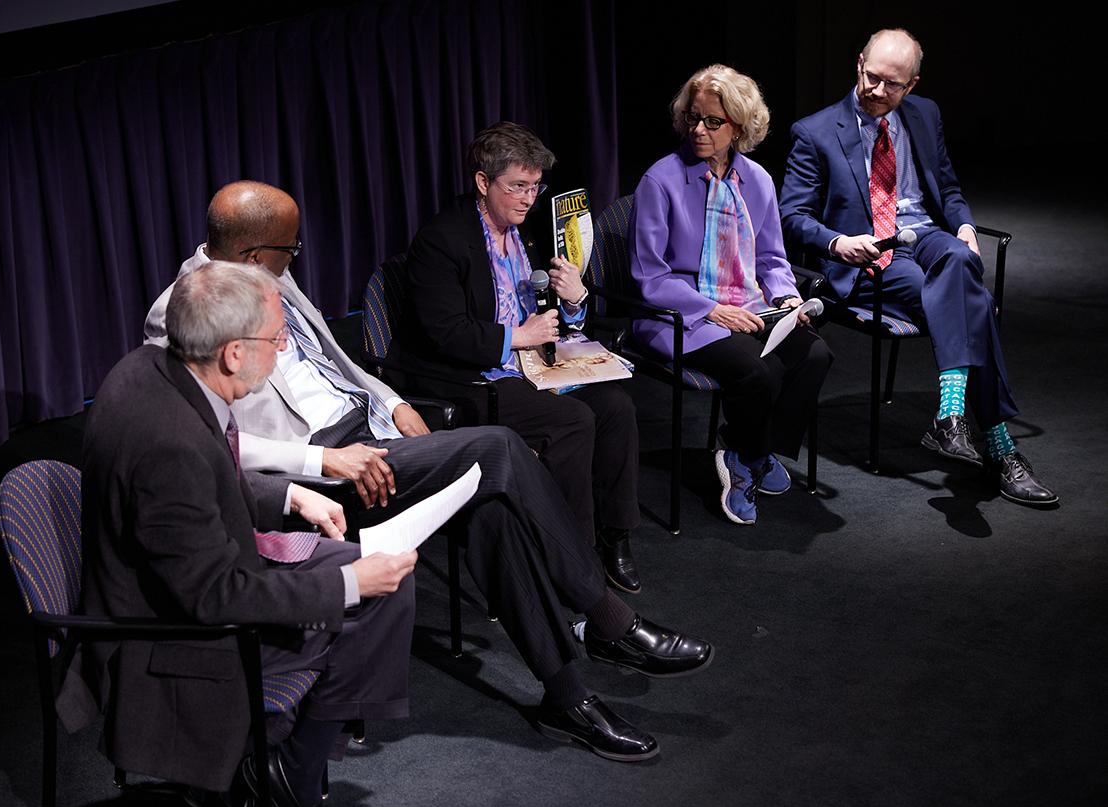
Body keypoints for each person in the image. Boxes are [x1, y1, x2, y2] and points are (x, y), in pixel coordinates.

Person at [144, 181, 714, 762]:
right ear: (252, 256)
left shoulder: (269, 272)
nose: (296, 260)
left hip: (372, 431)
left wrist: (391, 402)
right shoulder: (180, 311)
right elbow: (209, 442)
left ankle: (567, 699)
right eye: (289, 250)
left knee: (491, 504)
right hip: (321, 470)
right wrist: (325, 460)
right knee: (498, 448)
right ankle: (607, 620)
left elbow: (335, 363)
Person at [76, 262, 418, 807]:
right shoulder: (170, 443)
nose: (284, 349)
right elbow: (214, 598)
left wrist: (291, 499)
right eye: (277, 339)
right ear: (234, 353)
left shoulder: (157, 371)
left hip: (196, 570)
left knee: (386, 578)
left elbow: (211, 485)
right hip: (170, 639)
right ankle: (293, 780)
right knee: (366, 595)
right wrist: (347, 586)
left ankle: (279, 766)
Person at [779, 28, 1057, 507]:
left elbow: (947, 189)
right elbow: (792, 215)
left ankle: (951, 413)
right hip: (874, 255)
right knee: (977, 303)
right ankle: (998, 444)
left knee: (955, 255)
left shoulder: (925, 116)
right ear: (859, 62)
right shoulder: (816, 131)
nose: (878, 91)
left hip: (924, 234)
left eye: (893, 85)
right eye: (872, 77)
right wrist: (838, 241)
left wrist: (965, 226)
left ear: (913, 85)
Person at [396, 121, 644, 594]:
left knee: (617, 408)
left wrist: (573, 301)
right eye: (517, 187)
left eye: (535, 187)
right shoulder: (442, 241)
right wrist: (518, 336)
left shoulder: (525, 235)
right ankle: (574, 561)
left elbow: (546, 312)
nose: (529, 199)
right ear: (483, 182)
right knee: (573, 421)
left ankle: (615, 538)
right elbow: (444, 334)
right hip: (470, 379)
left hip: (531, 365)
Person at [627, 65, 833, 525]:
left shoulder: (757, 180)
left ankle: (752, 451)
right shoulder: (660, 181)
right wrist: (713, 309)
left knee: (814, 354)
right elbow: (649, 277)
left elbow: (773, 261)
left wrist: (787, 302)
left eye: (712, 121)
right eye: (692, 118)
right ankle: (742, 461)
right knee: (758, 372)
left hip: (747, 303)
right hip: (678, 315)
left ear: (739, 127)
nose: (698, 129)